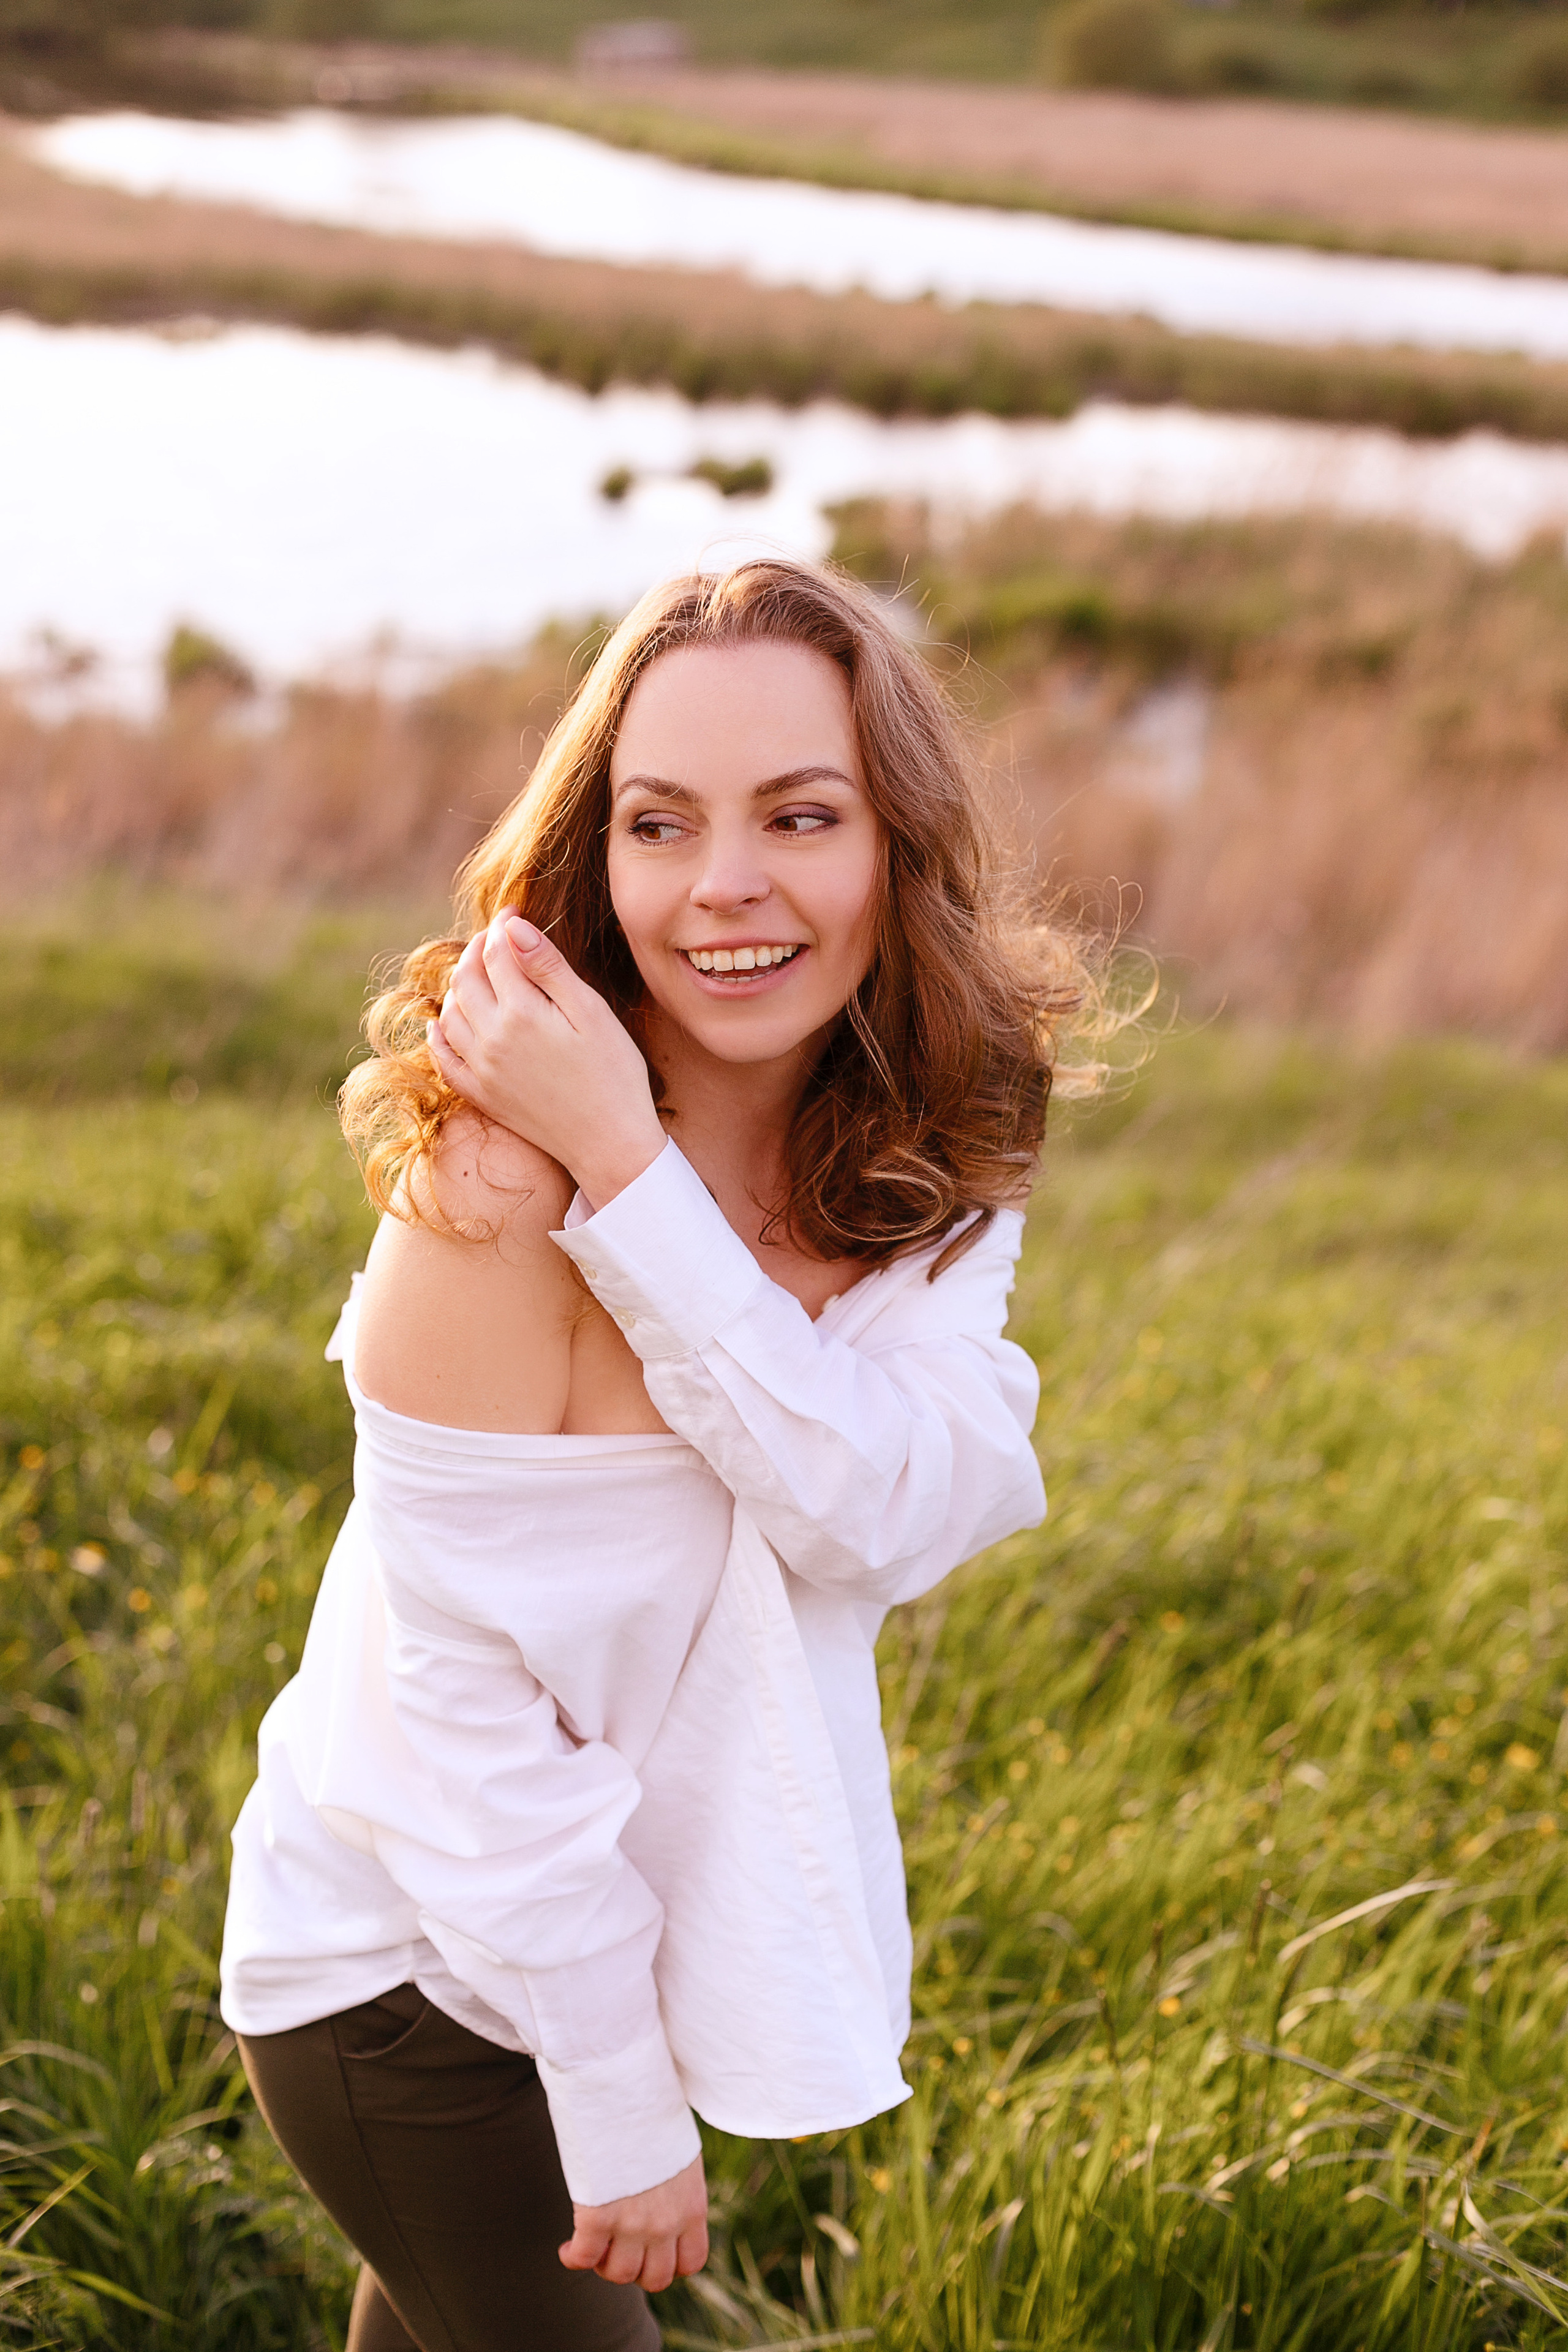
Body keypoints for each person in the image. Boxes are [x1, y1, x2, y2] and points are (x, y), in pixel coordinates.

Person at [219, 557, 1096, 2352]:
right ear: (596, 861)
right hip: (406, 1981)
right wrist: (619, 2105)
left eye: (802, 814)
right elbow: (455, 1716)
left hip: (558, 1971)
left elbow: (879, 1509)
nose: (727, 887)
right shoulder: (494, 1184)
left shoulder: (924, 1164)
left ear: (896, 848)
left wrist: (646, 1189)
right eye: (661, 822)